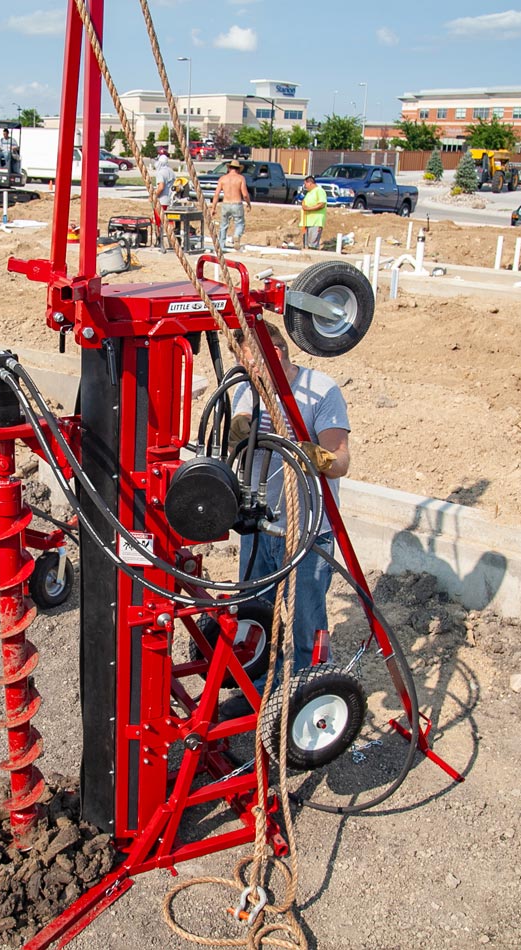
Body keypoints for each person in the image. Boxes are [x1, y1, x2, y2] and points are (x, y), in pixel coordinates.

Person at [230, 321, 350, 677]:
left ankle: (306, 695)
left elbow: (340, 461)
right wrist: (239, 431)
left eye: (250, 363)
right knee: (256, 619)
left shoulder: (319, 391)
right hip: (260, 526)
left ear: (275, 354)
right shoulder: (247, 389)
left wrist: (314, 455)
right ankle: (263, 695)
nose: (245, 371)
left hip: (307, 533)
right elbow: (240, 423)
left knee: (305, 623)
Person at [210, 159, 251, 251]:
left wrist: (213, 207)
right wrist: (248, 203)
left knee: (223, 225)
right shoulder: (240, 178)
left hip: (225, 204)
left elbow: (216, 194)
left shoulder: (222, 179)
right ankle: (236, 236)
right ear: (238, 169)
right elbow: (245, 194)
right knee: (239, 223)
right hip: (237, 203)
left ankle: (221, 245)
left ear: (229, 168)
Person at [153, 154, 175, 251]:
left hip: (161, 201)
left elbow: (161, 187)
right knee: (170, 222)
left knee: (159, 223)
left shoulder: (160, 173)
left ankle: (160, 242)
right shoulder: (171, 172)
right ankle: (172, 242)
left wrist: (154, 195)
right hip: (171, 201)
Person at [301, 175, 327, 250]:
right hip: (307, 221)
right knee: (306, 244)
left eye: (305, 184)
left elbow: (322, 204)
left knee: (312, 244)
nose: (305, 186)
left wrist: (309, 208)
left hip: (315, 222)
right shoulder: (309, 193)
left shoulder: (319, 191)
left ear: (310, 183)